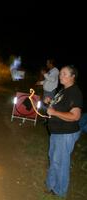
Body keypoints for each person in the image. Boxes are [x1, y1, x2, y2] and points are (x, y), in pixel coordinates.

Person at [44, 65, 83, 197]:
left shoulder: (75, 92)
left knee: (60, 162)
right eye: (60, 73)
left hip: (66, 133)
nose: (61, 76)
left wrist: (54, 112)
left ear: (73, 77)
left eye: (65, 74)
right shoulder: (62, 91)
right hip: (57, 132)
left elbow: (75, 116)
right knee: (53, 159)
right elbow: (58, 107)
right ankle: (51, 185)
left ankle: (60, 191)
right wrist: (50, 102)